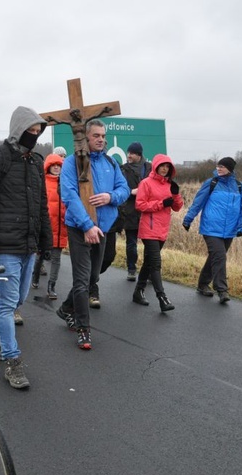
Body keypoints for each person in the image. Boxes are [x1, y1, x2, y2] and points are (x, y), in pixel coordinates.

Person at [0, 106, 52, 389]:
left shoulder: (35, 163)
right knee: (7, 304)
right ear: (18, 129)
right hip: (3, 245)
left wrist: (46, 242)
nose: (35, 135)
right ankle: (12, 360)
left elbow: (42, 206)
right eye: (31, 130)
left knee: (18, 300)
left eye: (38, 131)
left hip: (28, 245)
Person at [55, 119, 129, 350]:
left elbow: (124, 189)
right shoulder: (71, 163)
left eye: (103, 135)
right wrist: (87, 226)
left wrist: (110, 197)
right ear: (85, 138)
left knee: (92, 277)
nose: (101, 139)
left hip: (103, 228)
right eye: (96, 135)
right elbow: (69, 196)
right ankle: (83, 328)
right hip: (79, 228)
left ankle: (66, 308)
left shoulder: (110, 162)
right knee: (81, 281)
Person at [182, 156, 242, 304]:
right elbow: (198, 202)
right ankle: (222, 290)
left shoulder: (240, 187)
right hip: (211, 228)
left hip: (230, 230)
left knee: (216, 257)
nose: (219, 169)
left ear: (230, 169)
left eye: (222, 167)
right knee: (219, 256)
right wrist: (188, 219)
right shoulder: (212, 183)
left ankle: (202, 284)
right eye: (218, 166)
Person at [132, 154, 183, 311]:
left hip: (162, 229)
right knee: (155, 262)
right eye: (162, 166)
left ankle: (138, 292)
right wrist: (161, 203)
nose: (165, 169)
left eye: (167, 167)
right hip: (149, 228)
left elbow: (177, 207)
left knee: (149, 262)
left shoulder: (169, 185)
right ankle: (162, 297)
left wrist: (175, 194)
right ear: (156, 166)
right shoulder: (146, 183)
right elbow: (140, 205)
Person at [31, 153, 67, 299]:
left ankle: (51, 286)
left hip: (61, 227)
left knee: (56, 259)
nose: (57, 168)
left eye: (59, 165)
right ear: (48, 167)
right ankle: (35, 276)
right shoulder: (43, 183)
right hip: (46, 227)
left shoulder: (66, 183)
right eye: (54, 165)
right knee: (41, 255)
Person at [118, 142, 150, 281]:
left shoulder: (149, 168)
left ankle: (148, 271)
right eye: (128, 152)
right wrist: (132, 192)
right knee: (131, 243)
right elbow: (119, 189)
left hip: (148, 211)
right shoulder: (122, 169)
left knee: (150, 245)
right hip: (130, 210)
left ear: (139, 155)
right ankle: (131, 269)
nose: (129, 155)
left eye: (132, 153)